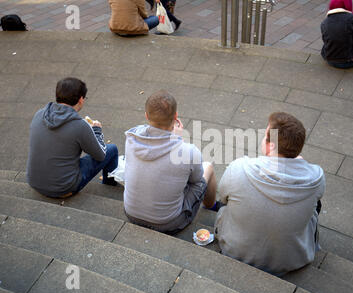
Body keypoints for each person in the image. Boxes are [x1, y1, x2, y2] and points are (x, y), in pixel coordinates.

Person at [214, 112, 326, 277]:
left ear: (269, 145)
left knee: (227, 201)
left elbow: (223, 198)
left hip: (235, 251)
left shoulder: (238, 168)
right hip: (291, 260)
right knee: (315, 205)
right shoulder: (317, 177)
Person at [124, 90, 217, 235]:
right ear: (175, 116)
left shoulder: (131, 138)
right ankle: (211, 206)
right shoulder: (189, 152)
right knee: (207, 169)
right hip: (168, 223)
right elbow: (196, 180)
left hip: (131, 214)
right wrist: (177, 141)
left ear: (146, 116)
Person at [27, 78, 118, 198]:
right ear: (81, 99)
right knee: (112, 149)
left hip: (34, 181)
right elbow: (101, 155)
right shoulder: (80, 125)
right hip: (63, 188)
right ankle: (109, 184)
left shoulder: (40, 114)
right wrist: (96, 130)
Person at [320, 0, 353, 69]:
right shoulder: (351, 18)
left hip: (330, 60)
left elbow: (325, 41)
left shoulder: (324, 22)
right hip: (349, 62)